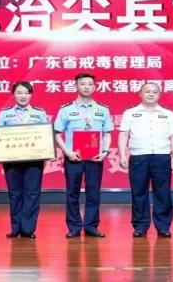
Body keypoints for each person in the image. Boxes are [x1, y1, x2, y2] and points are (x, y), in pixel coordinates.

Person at [54, 73, 113, 238]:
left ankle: (91, 226)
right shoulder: (66, 109)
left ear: (95, 87)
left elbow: (107, 133)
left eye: (90, 84)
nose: (86, 87)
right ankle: (74, 227)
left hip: (95, 158)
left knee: (93, 193)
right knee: (72, 193)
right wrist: (67, 153)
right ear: (76, 86)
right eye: (83, 84)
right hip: (74, 158)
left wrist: (105, 152)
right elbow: (57, 134)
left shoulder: (103, 109)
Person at [118, 83, 173, 238]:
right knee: (139, 192)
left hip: (162, 157)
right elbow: (123, 134)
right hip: (138, 157)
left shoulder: (168, 114)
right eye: (147, 92)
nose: (151, 94)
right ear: (140, 94)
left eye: (154, 92)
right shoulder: (130, 113)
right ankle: (140, 226)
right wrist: (122, 155)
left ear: (159, 95)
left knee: (163, 192)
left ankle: (163, 226)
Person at [0, 81, 49, 239]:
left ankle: (28, 229)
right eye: (19, 93)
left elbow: (45, 134)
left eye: (26, 93)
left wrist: (47, 151)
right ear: (14, 94)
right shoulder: (5, 114)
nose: (23, 96)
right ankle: (15, 228)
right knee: (14, 194)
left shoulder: (39, 113)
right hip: (11, 160)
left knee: (32, 193)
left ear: (31, 95)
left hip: (34, 160)